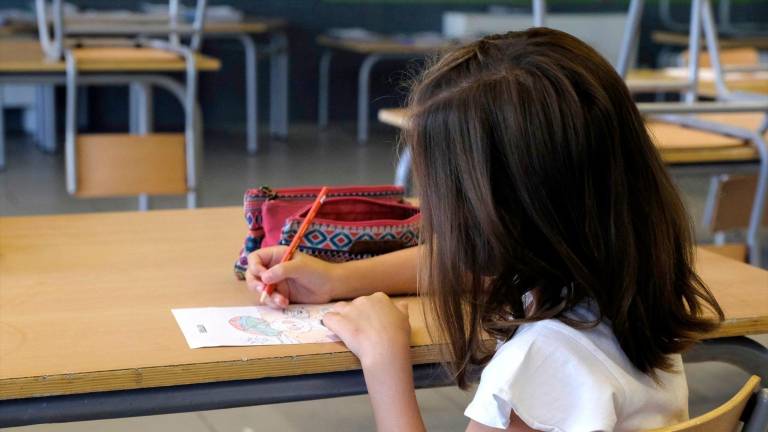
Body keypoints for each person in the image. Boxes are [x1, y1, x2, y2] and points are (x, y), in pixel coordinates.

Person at [245, 28, 723, 432]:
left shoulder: (540, 365)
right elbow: (480, 270)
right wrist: (338, 279)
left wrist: (384, 362)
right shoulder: (621, 293)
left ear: (496, 215)